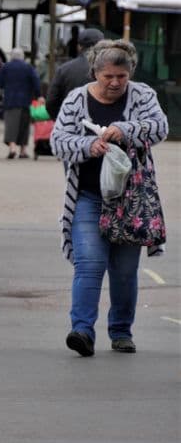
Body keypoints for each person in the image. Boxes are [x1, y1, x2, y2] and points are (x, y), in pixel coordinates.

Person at [50, 40, 168, 357]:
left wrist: (124, 129)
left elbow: (160, 127)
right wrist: (89, 146)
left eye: (121, 76)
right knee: (90, 263)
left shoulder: (143, 95)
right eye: (108, 77)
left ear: (129, 74)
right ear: (95, 73)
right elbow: (58, 141)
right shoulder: (76, 100)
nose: (115, 83)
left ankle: (121, 332)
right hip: (88, 196)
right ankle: (82, 331)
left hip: (130, 201)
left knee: (125, 271)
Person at [46, 28, 104, 120]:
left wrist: (61, 120)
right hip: (102, 126)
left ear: (79, 47)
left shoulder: (64, 69)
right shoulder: (110, 69)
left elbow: (51, 101)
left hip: (70, 122)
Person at [0, 48, 40, 159]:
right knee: (24, 126)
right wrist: (38, 95)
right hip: (25, 101)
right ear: (22, 56)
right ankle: (23, 151)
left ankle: (12, 148)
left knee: (11, 125)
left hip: (10, 100)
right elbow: (36, 82)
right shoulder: (28, 67)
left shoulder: (6, 67)